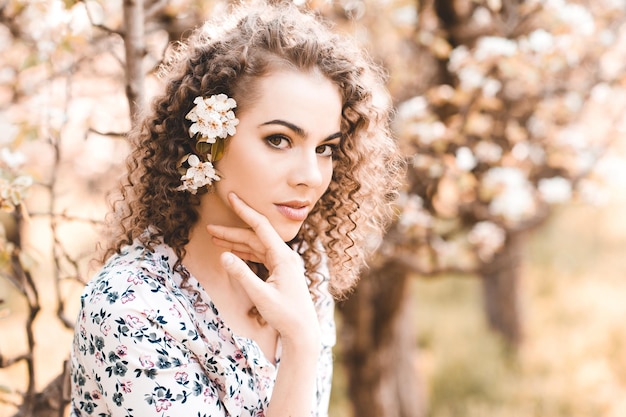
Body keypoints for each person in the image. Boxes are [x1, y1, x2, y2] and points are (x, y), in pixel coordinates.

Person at [70, 2, 403, 416]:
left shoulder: (302, 271)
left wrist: (302, 331)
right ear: (208, 139)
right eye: (279, 139)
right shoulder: (131, 307)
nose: (312, 177)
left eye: (325, 149)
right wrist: (300, 345)